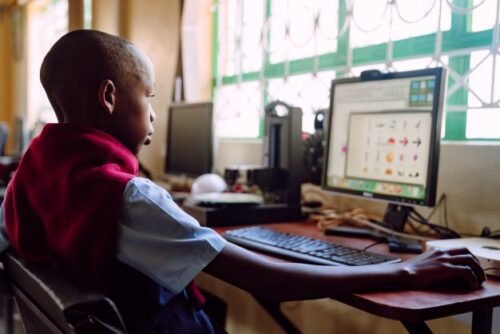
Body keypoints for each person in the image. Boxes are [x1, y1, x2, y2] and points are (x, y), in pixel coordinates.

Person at [0, 30, 485, 333]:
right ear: (109, 97)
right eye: (146, 96)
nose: (152, 114)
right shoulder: (128, 197)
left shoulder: (31, 175)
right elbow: (262, 278)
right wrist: (403, 271)